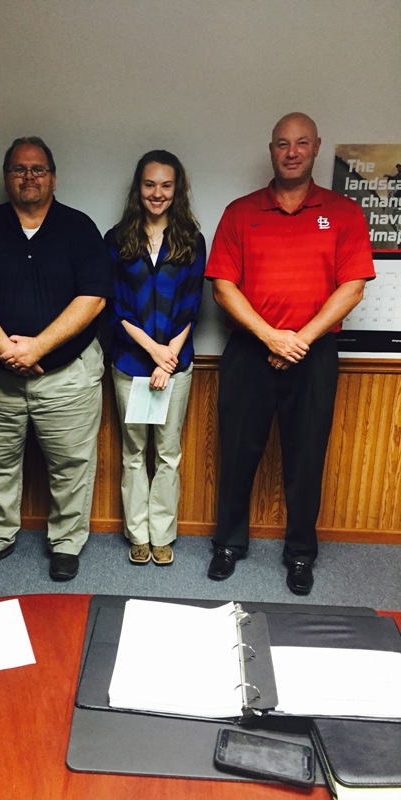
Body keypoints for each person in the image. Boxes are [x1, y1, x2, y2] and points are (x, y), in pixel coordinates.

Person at [205, 112, 375, 595]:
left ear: (316, 147)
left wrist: (298, 340)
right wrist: (271, 337)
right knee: (237, 452)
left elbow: (353, 287)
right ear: (271, 149)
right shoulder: (241, 212)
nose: (292, 152)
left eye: (301, 143)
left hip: (314, 355)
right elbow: (222, 287)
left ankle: (301, 553)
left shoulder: (343, 213)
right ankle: (228, 545)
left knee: (306, 457)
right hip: (249, 352)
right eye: (282, 143)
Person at [0, 136, 113, 583]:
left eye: (38, 169)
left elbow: (94, 298)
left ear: (53, 178)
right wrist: (8, 349)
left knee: (71, 465)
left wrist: (37, 347)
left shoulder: (79, 228)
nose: (29, 177)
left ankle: (66, 544)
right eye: (19, 169)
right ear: (7, 178)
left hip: (67, 378)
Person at [106, 151, 205, 566]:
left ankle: (162, 534)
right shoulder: (117, 239)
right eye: (150, 184)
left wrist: (169, 358)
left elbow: (192, 306)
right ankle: (138, 534)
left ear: (177, 189)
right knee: (133, 453)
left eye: (166, 185)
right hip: (130, 363)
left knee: (167, 454)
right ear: (138, 188)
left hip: (176, 364)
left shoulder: (191, 240)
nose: (157, 193)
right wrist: (153, 352)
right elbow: (113, 307)